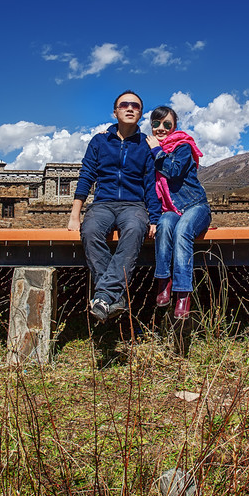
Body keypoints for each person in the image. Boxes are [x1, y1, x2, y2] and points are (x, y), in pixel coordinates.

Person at [68, 90, 162, 323]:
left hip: (134, 205)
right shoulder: (100, 141)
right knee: (90, 231)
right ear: (115, 111)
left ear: (140, 114)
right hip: (103, 204)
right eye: (124, 105)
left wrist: (154, 218)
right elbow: (86, 175)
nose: (130, 108)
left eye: (136, 106)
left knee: (133, 230)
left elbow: (150, 183)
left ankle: (103, 296)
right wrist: (75, 214)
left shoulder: (145, 145)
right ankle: (114, 297)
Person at [146, 106, 211, 319]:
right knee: (164, 225)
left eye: (167, 124)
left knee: (182, 230)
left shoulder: (182, 146)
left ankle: (183, 293)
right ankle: (163, 281)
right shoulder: (150, 147)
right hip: (170, 209)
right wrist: (108, 132)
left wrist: (157, 151)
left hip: (195, 206)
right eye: (156, 123)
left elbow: (173, 171)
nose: (161, 128)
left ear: (174, 126)